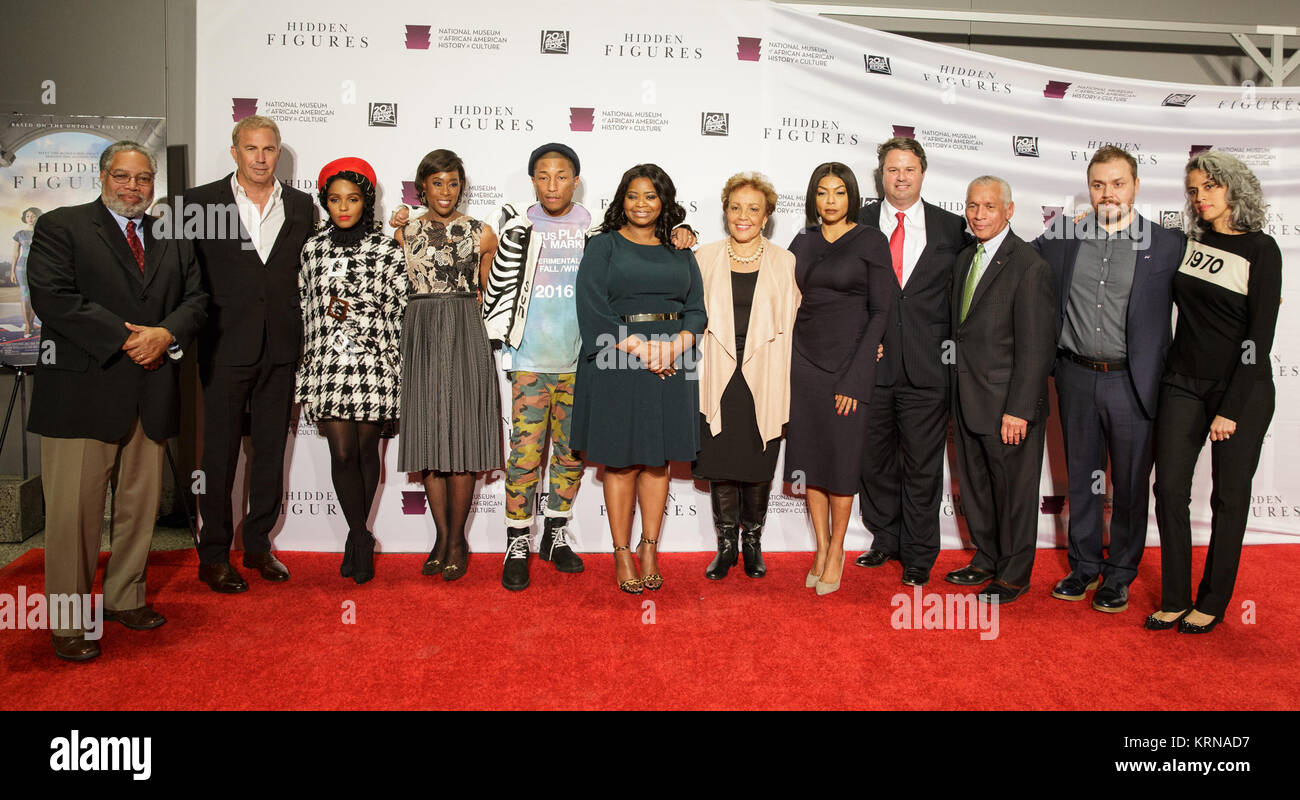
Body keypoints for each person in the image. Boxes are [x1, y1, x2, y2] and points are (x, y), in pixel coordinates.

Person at [26, 141, 207, 661]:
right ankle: (66, 617)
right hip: (83, 392)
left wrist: (166, 334)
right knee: (74, 516)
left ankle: (125, 597)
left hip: (150, 391)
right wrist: (132, 339)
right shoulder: (62, 225)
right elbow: (55, 297)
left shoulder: (172, 235)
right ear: (103, 176)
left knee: (138, 508)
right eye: (123, 177)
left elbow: (196, 300)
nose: (134, 188)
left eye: (144, 179)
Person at [1032, 146, 1182, 613]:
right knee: (1083, 479)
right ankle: (1083, 568)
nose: (1108, 193)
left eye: (1117, 183)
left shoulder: (1168, 244)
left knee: (1132, 486)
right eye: (1099, 185)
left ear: (1136, 186)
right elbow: (1011, 262)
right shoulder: (1062, 236)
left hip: (1134, 383)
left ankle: (1119, 575)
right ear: (1089, 188)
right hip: (1076, 377)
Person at [1147, 151, 1281, 634]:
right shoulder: (1190, 241)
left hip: (1240, 391)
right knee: (1169, 490)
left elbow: (1258, 338)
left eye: (1209, 187)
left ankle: (1213, 600)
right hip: (1182, 382)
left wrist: (1230, 408)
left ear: (1233, 190)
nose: (1199, 197)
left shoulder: (1262, 250)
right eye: (1194, 190)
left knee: (1228, 498)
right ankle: (1176, 595)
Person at [189, 115, 317, 593]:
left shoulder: (302, 205)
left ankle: (259, 544)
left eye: (269, 149)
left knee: (269, 452)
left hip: (283, 346)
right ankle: (215, 554)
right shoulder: (199, 203)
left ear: (278, 152)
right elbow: (187, 275)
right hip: (223, 345)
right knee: (218, 455)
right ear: (234, 151)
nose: (261, 158)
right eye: (251, 149)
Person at [572, 163, 706, 594]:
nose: (642, 204)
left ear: (664, 200)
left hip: (673, 355)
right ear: (620, 200)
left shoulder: (680, 246)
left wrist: (675, 345)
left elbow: (697, 309)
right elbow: (592, 309)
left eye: (651, 196)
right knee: (622, 459)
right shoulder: (603, 246)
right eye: (633, 195)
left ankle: (649, 546)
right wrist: (643, 348)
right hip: (618, 355)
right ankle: (621, 550)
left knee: (657, 458)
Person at [854, 138, 969, 587]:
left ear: (923, 172)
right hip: (873, 366)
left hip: (929, 369)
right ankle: (886, 537)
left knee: (923, 465)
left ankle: (919, 553)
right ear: (881, 174)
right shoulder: (857, 223)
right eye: (892, 169)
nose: (900, 177)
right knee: (874, 460)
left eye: (909, 169)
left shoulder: (951, 228)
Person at [297, 157, 408, 585]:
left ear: (367, 201)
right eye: (335, 199)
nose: (344, 207)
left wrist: (397, 370)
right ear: (324, 201)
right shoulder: (312, 248)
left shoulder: (385, 248)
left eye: (353, 198)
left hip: (374, 364)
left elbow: (399, 313)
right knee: (341, 454)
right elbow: (308, 310)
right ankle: (359, 535)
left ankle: (356, 538)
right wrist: (307, 373)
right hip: (328, 363)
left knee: (366, 454)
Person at [945, 176, 1056, 604]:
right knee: (976, 488)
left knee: (1013, 494)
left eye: (989, 207)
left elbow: (1035, 347)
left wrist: (1020, 409)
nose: (978, 214)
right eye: (973, 206)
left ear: (1009, 211)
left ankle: (1013, 575)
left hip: (1008, 407)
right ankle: (986, 558)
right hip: (969, 399)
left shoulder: (1030, 266)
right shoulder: (964, 260)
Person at [785, 162, 892, 596]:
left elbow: (882, 311)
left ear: (852, 197)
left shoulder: (871, 241)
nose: (830, 201)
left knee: (842, 461)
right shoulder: (801, 242)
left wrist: (858, 374)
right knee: (812, 463)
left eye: (839, 193)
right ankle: (821, 546)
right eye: (823, 193)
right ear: (813, 197)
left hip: (849, 364)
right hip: (804, 361)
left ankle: (838, 550)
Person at [396, 148, 502, 581]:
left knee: (462, 443)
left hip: (464, 329)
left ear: (463, 187)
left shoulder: (482, 233)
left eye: (453, 183)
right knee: (430, 445)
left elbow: (492, 294)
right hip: (420, 333)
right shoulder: (404, 233)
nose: (445, 191)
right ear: (422, 187)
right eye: (437, 183)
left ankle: (457, 540)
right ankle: (440, 538)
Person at [694, 172, 799, 580]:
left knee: (757, 464)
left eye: (754, 209)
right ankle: (726, 546)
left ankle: (753, 542)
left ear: (767, 215)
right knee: (721, 462)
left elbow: (795, 324)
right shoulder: (703, 257)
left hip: (765, 375)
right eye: (736, 207)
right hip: (717, 373)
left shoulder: (784, 261)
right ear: (725, 211)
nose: (744, 216)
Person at [11, 207, 41, 336]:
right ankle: (28, 327)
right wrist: (12, 271)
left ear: (37, 217)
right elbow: (15, 254)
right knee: (25, 295)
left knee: (37, 296)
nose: (30, 218)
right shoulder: (20, 234)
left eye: (33, 216)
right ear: (25, 218)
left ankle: (31, 321)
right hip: (22, 267)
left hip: (38, 267)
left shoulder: (42, 232)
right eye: (28, 216)